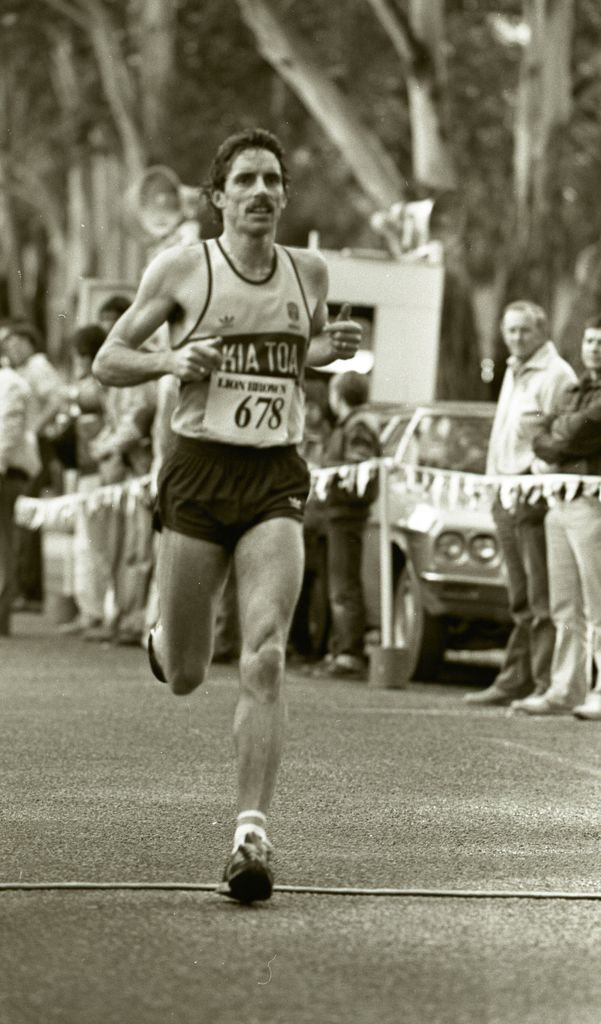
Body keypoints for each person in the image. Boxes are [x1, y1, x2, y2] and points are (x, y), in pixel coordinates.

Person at [92, 127, 362, 902]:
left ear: (283, 194)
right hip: (199, 473)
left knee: (266, 653)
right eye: (244, 179)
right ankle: (163, 639)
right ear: (217, 198)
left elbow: (301, 350)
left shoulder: (308, 271)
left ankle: (250, 834)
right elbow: (108, 359)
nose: (260, 192)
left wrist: (327, 350)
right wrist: (170, 361)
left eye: (271, 179)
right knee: (184, 673)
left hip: (274, 477)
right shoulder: (182, 267)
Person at [464, 300, 576, 706]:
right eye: (510, 330)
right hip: (504, 490)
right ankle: (515, 678)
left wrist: (530, 481)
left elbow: (558, 441)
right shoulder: (513, 369)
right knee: (519, 595)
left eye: (524, 331)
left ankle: (543, 683)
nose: (515, 338)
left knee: (539, 594)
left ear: (542, 331)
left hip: (531, 494)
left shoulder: (557, 375)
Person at [510, 316, 601, 717]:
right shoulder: (576, 388)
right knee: (566, 603)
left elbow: (575, 434)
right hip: (560, 500)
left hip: (591, 502)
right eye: (590, 340)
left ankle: (598, 689)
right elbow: (542, 436)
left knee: (598, 602)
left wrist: (555, 434)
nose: (594, 348)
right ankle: (566, 687)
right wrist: (557, 435)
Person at [314, 371, 380, 680]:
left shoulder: (357, 425)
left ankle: (350, 654)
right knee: (338, 584)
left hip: (347, 513)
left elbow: (358, 466)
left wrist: (325, 469)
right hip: (339, 512)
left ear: (337, 395)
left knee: (344, 586)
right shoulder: (354, 424)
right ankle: (339, 649)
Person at [1, 322, 69, 610]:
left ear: (29, 341)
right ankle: (24, 589)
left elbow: (56, 401)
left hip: (26, 450)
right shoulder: (20, 371)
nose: (11, 349)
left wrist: (35, 430)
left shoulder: (38, 367)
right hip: (22, 447)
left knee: (21, 520)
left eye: (16, 343)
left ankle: (25, 590)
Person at [0, 364, 41, 635]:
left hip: (7, 472)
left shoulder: (10, 384)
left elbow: (9, 430)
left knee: (5, 546)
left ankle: (1, 614)